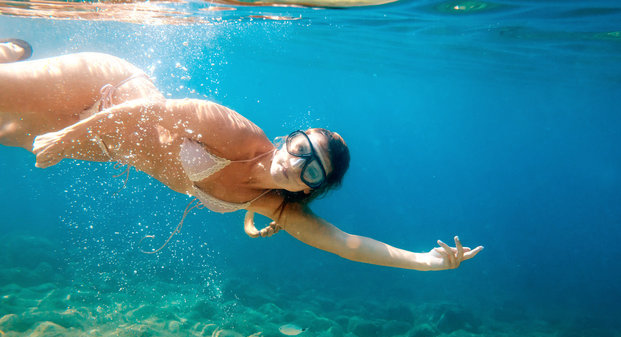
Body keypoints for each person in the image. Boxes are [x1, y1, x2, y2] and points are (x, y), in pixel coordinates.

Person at [0, 39, 483, 271]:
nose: (297, 162)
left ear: (311, 188)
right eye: (300, 147)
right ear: (287, 139)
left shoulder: (275, 206)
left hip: (109, 145)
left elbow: (349, 244)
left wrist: (431, 262)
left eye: (311, 169)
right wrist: (65, 139)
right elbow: (153, 110)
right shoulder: (238, 135)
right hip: (109, 91)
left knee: (4, 130)